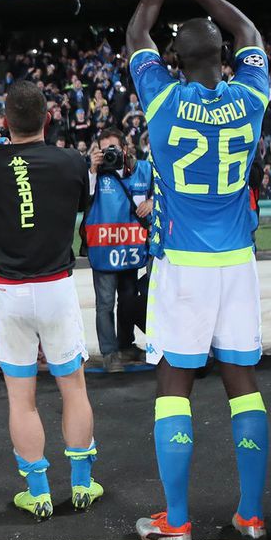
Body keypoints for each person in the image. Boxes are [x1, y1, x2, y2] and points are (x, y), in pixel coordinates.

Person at [126, 0, 271, 540]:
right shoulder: (253, 94)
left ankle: (177, 521)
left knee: (175, 383)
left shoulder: (158, 96)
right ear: (225, 57)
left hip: (182, 262)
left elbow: (136, 28)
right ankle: (251, 515)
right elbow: (248, 29)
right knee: (243, 382)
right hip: (238, 260)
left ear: (172, 60)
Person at [0, 80, 104, 521]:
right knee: (73, 387)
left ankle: (38, 491)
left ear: (4, 121)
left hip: (11, 292)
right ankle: (81, 483)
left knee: (21, 399)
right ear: (48, 118)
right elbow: (83, 199)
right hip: (57, 287)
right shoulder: (71, 161)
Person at [83, 129, 153, 373]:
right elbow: (83, 200)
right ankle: (110, 353)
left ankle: (126, 345)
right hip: (104, 249)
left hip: (129, 248)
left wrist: (152, 202)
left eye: (113, 147)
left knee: (128, 301)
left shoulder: (143, 170)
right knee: (104, 304)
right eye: (104, 149)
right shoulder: (93, 174)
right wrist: (92, 169)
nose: (109, 153)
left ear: (125, 148)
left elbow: (161, 192)